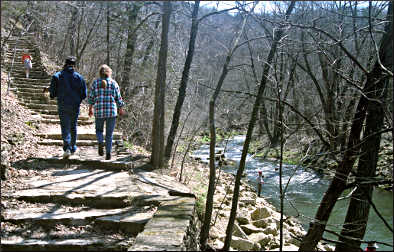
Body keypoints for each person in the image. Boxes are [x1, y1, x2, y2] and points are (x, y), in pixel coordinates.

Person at [48, 56, 87, 158]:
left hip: (63, 104)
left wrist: (54, 95)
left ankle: (67, 147)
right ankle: (72, 147)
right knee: (73, 126)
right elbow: (84, 94)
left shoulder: (57, 76)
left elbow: (52, 93)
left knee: (65, 126)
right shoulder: (80, 78)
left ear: (65, 64)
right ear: (74, 66)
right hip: (75, 105)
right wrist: (78, 100)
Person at [88, 64, 125, 160]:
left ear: (100, 73)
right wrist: (121, 108)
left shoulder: (95, 83)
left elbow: (91, 97)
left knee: (99, 130)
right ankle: (108, 153)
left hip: (99, 111)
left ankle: (100, 141)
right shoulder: (114, 83)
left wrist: (90, 109)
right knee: (109, 134)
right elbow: (118, 98)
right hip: (111, 112)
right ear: (109, 73)